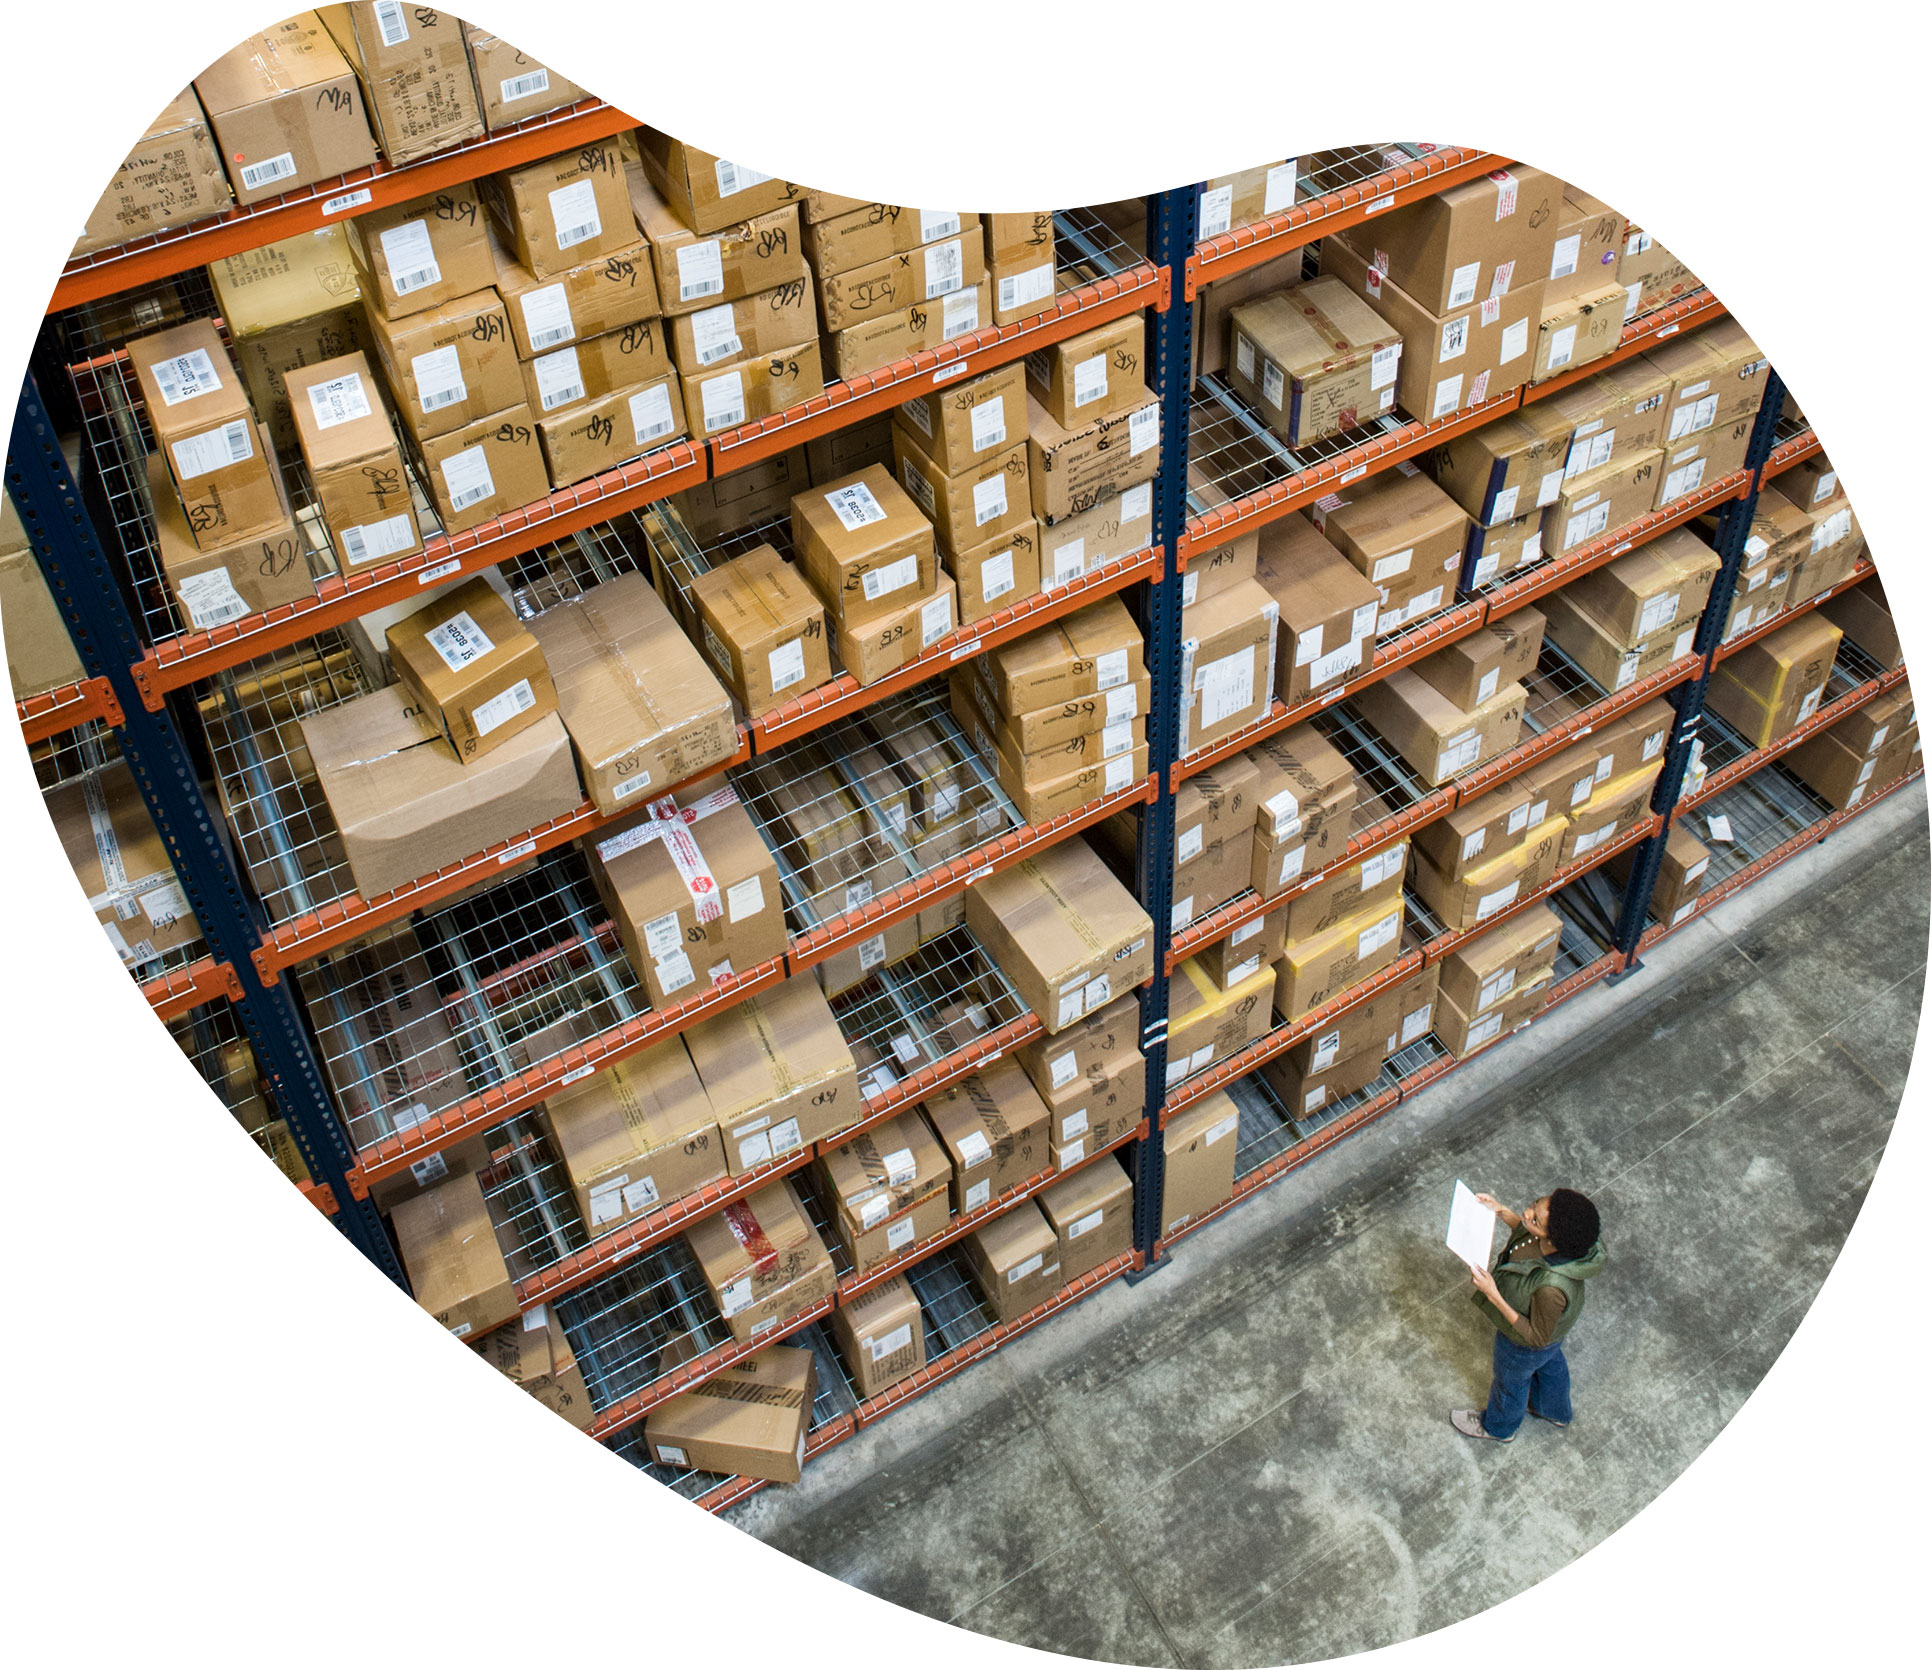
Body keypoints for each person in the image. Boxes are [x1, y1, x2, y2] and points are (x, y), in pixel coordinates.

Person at [1451, 1188, 1604, 1443]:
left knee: (1510, 1383)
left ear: (1553, 1241)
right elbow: (1525, 1236)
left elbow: (1536, 1337)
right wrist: (1502, 1211)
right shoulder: (1564, 1246)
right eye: (1535, 1204)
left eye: (1535, 1221)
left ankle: (1499, 1428)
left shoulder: (1550, 1289)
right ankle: (1554, 1410)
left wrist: (1493, 1294)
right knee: (1550, 1363)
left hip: (1523, 1344)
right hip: (1553, 1334)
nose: (1527, 1213)